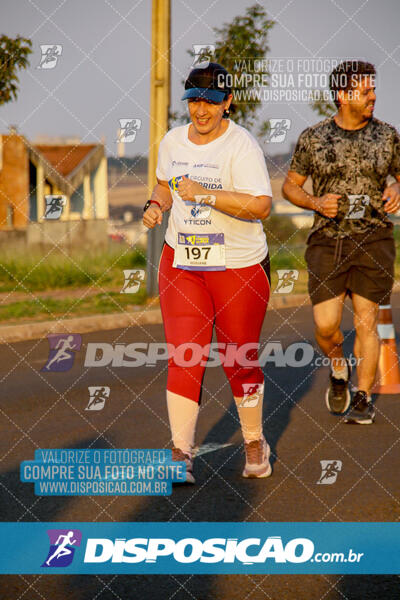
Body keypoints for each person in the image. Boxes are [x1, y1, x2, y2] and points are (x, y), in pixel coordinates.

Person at [143, 63, 273, 482]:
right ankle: (181, 453)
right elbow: (164, 183)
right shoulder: (172, 142)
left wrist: (208, 195)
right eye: (195, 101)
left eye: (212, 102)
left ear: (227, 103)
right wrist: (156, 204)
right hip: (182, 262)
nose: (202, 110)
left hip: (238, 264)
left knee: (238, 357)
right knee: (185, 356)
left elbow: (261, 206)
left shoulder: (242, 146)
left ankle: (254, 442)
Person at [282, 60, 400, 424]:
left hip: (374, 237)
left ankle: (362, 398)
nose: (373, 97)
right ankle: (338, 368)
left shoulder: (388, 135)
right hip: (327, 242)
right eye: (365, 91)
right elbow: (290, 186)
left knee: (366, 323)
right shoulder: (314, 137)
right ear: (342, 95)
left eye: (373, 90)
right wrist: (315, 202)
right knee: (326, 326)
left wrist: (397, 185)